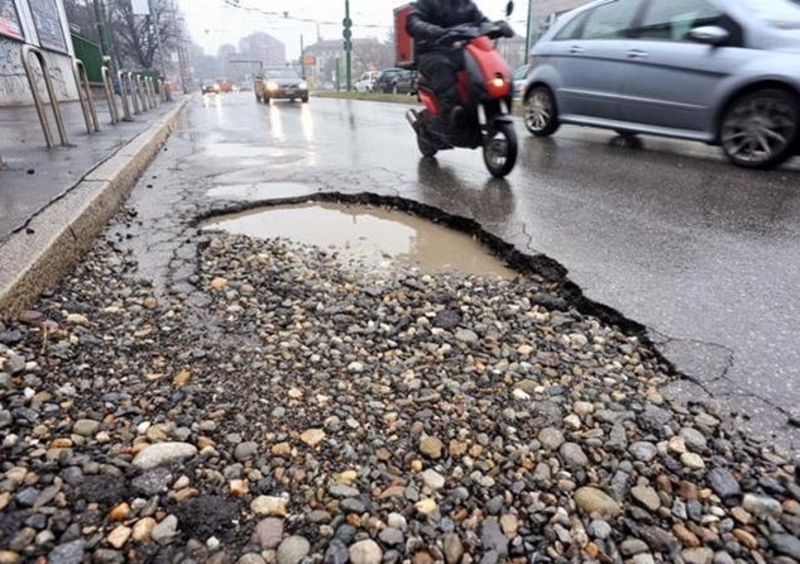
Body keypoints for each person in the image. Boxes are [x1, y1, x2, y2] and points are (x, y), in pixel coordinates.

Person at [406, 0, 512, 135]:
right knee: (444, 72)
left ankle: (476, 109)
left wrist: (498, 27)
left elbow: (482, 22)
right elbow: (413, 21)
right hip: (432, 52)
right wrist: (433, 30)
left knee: (485, 71)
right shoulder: (427, 2)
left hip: (460, 51)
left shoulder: (467, 5)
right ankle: (444, 120)